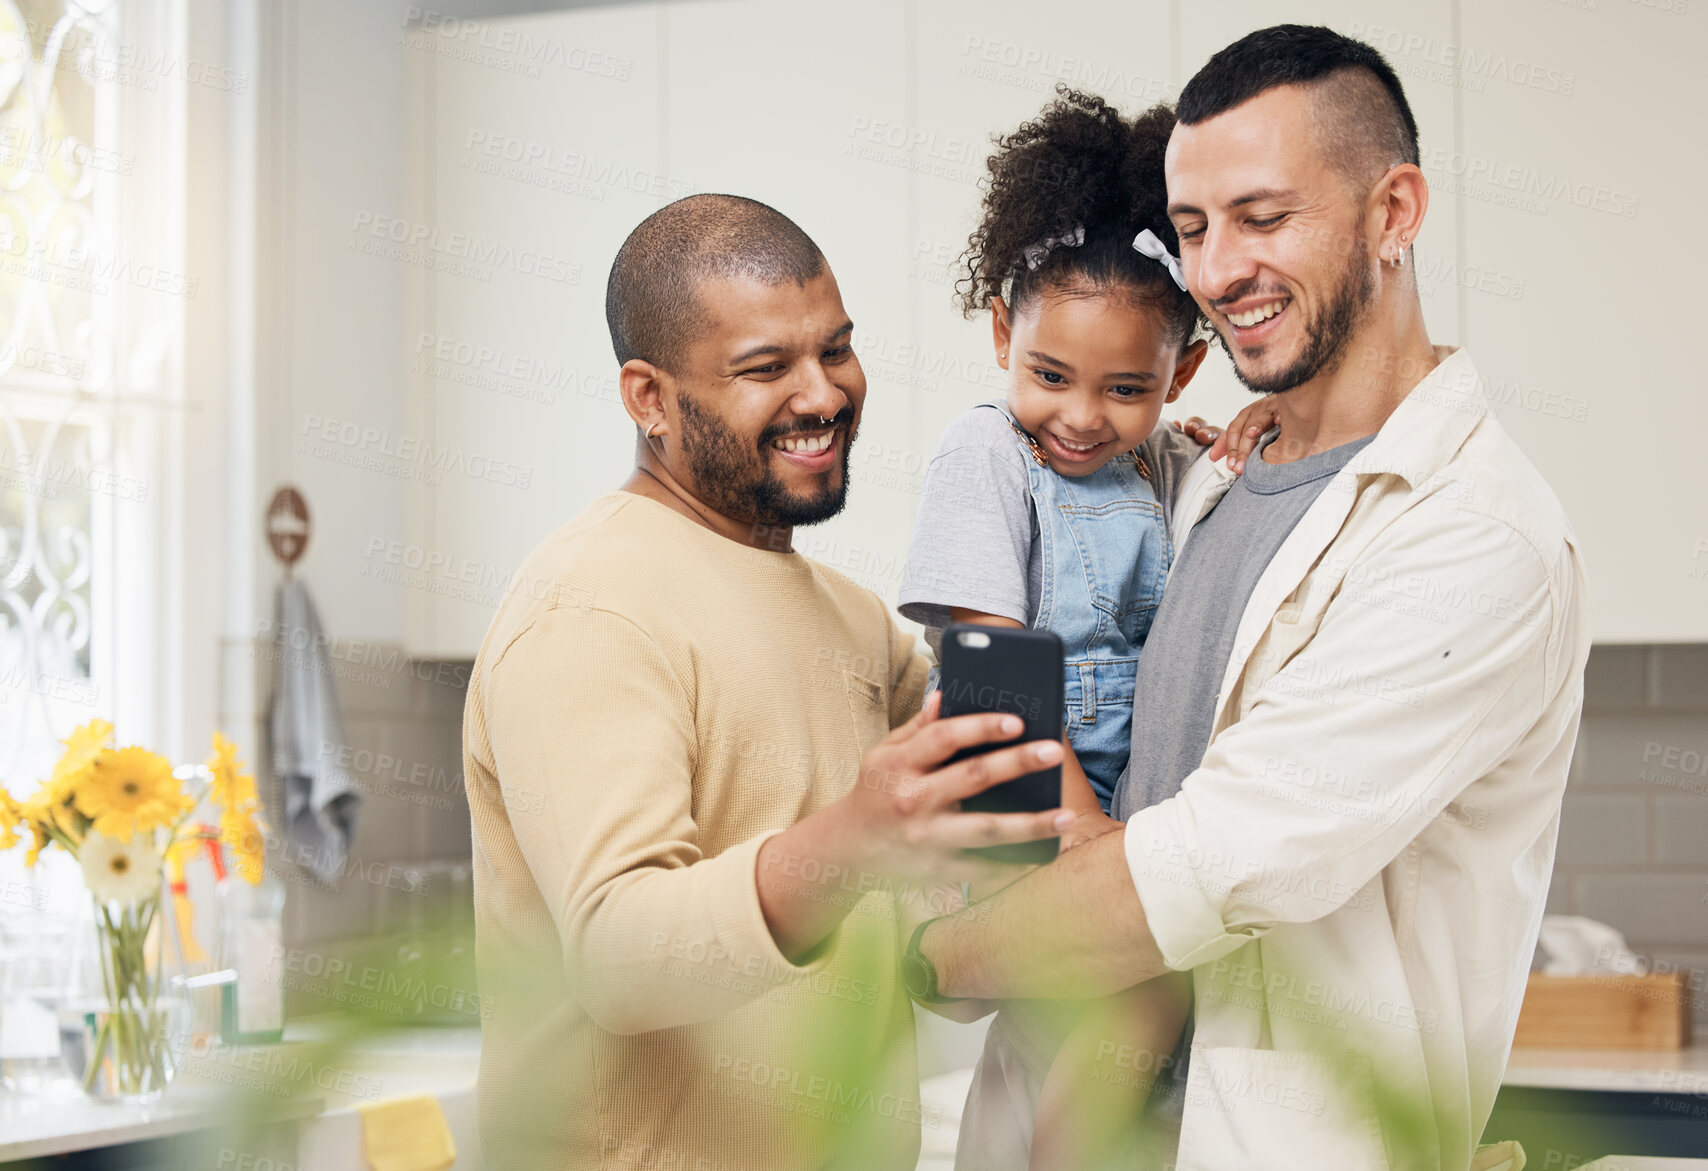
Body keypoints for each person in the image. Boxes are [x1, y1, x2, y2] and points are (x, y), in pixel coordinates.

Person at [914, 26, 1591, 1170]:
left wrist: (922, 961)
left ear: (1393, 212)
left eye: (1263, 217)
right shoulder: (1202, 471)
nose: (1218, 271)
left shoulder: (1472, 534)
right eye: (1192, 228)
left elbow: (1209, 865)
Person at [461, 193, 1080, 1170]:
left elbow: (927, 917)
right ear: (648, 398)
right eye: (766, 368)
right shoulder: (589, 609)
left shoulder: (852, 617)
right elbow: (619, 958)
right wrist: (857, 835)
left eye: (834, 349)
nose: (823, 394)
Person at [897, 91, 1215, 1171]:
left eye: (1126, 388)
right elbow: (990, 660)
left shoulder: (1168, 464)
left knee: (1093, 1019)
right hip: (1018, 790)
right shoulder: (985, 456)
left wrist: (1232, 445)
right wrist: (1081, 830)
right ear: (1000, 333)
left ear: (1180, 377)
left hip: (1119, 813)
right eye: (1050, 375)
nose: (1081, 415)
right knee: (1147, 992)